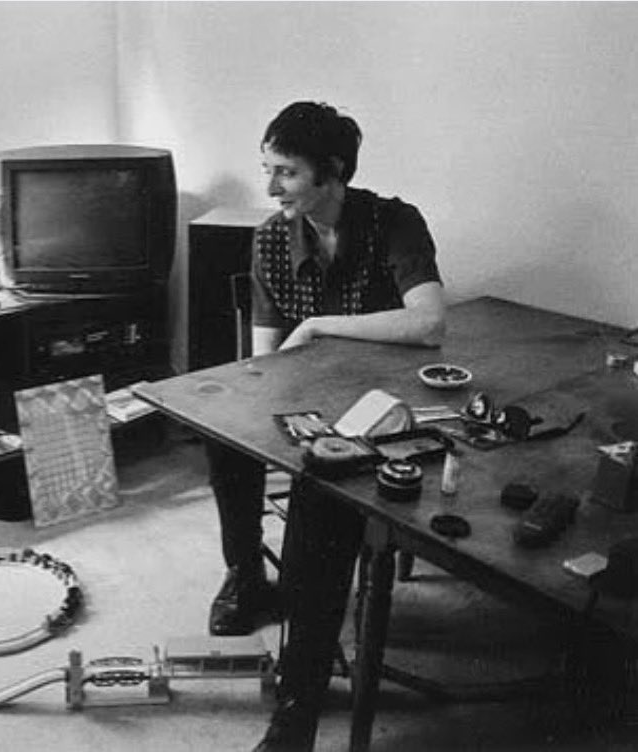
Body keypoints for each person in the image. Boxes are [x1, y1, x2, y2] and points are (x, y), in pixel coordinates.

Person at [199, 101, 446, 750]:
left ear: (332, 172)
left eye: (285, 172)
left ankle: (297, 708)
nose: (270, 187)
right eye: (267, 169)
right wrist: (267, 413)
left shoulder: (394, 222)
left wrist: (316, 325)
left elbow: (428, 322)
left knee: (318, 508)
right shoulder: (271, 238)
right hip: (306, 394)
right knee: (223, 436)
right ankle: (245, 575)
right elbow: (263, 361)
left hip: (382, 404)